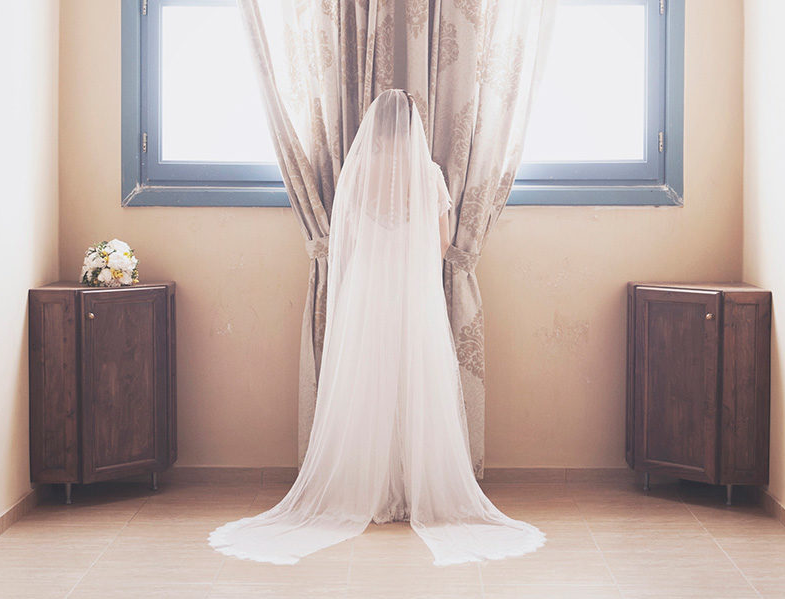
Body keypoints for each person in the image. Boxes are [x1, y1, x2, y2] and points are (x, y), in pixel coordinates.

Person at [208, 88, 545, 566]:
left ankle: (365, 487)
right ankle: (413, 490)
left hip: (367, 289)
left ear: (375, 128)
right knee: (416, 379)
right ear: (413, 127)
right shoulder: (427, 174)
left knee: (366, 379)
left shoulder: (359, 171)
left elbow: (346, 237)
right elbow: (443, 242)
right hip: (413, 289)